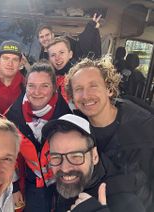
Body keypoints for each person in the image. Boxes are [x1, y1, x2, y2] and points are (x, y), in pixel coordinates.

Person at [65, 57, 154, 211]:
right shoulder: (75, 131)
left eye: (93, 86)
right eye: (78, 89)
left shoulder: (145, 128)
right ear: (72, 96)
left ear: (109, 89)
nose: (86, 95)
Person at [42, 114, 145, 212]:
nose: (64, 168)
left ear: (94, 156)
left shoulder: (126, 202)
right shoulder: (69, 184)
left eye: (76, 156)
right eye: (56, 157)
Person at [5, 61, 71, 211]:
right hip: (32, 186)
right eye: (32, 85)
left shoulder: (67, 115)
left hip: (63, 186)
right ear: (26, 86)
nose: (37, 92)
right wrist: (14, 187)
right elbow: (9, 155)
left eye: (44, 86)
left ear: (54, 88)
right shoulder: (12, 116)